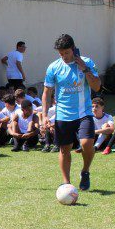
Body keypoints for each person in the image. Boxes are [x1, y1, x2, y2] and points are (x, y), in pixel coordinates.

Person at [41, 34, 101, 190]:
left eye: (66, 53)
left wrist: (85, 69)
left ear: (73, 49)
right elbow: (47, 93)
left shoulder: (87, 62)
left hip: (84, 112)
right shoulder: (53, 67)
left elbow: (97, 87)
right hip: (63, 115)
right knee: (64, 149)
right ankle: (66, 183)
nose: (64, 57)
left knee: (87, 143)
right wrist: (44, 116)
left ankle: (85, 171)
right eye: (61, 54)